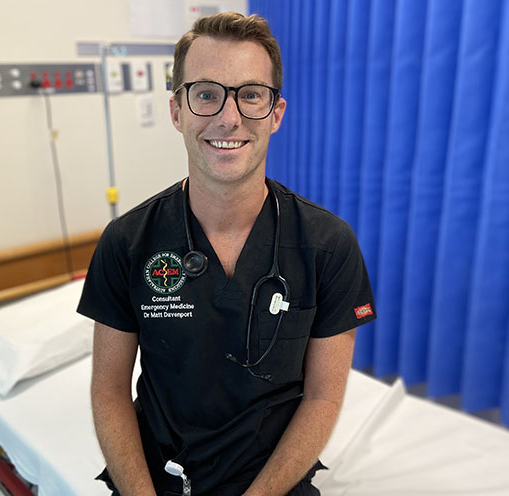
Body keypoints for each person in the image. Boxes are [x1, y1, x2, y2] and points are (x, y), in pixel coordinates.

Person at [77, 11, 376, 496]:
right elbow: (109, 390)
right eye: (205, 94)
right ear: (177, 110)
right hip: (156, 477)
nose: (229, 117)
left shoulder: (327, 245)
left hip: (273, 481)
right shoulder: (127, 243)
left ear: (276, 113)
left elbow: (323, 397)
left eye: (251, 94)